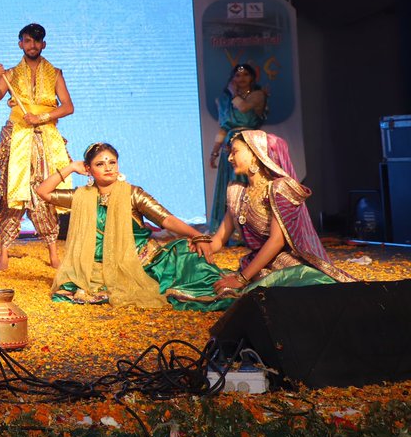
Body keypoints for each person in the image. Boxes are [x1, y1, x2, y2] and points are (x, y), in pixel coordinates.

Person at [37, 142, 232, 310]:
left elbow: (166, 219)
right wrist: (70, 167)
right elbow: (43, 192)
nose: (108, 168)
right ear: (88, 169)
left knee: (187, 254)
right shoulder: (81, 197)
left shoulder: (132, 193)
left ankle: (230, 284)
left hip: (141, 260)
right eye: (100, 164)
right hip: (97, 267)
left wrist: (197, 235)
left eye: (112, 162)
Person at [210, 130, 354, 295]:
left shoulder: (279, 189)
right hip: (255, 266)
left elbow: (276, 241)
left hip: (284, 266)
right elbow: (219, 240)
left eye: (234, 152)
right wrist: (195, 245)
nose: (229, 158)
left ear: (255, 154)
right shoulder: (237, 192)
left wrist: (242, 278)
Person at [0, 24, 73, 270]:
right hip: (18, 138)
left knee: (46, 191)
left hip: (45, 140)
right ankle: (4, 253)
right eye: (27, 41)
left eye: (37, 41)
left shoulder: (55, 73)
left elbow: (67, 107)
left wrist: (41, 118)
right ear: (20, 43)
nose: (32, 45)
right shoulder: (10, 75)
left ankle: (53, 252)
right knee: (12, 191)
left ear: (44, 44)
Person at [207, 63, 268, 236]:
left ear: (252, 78)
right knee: (230, 185)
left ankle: (247, 229)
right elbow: (224, 126)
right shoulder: (225, 100)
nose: (241, 79)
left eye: (245, 75)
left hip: (249, 144)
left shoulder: (258, 95)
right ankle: (227, 230)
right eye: (237, 76)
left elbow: (243, 108)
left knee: (246, 183)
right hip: (230, 144)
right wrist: (215, 151)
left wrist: (233, 93)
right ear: (232, 79)